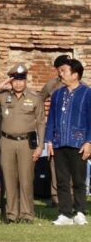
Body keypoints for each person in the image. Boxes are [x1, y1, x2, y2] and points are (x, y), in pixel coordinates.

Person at [0, 64, 44, 224]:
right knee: (9, 179)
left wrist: (41, 146)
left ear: (26, 80)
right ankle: (11, 214)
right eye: (15, 80)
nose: (18, 83)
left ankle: (27, 214)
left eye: (21, 80)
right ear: (11, 81)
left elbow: (41, 122)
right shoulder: (4, 96)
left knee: (26, 179)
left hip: (26, 143)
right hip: (7, 142)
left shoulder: (35, 98)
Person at [43, 58, 91, 226]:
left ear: (75, 74)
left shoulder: (87, 93)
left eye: (64, 71)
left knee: (79, 180)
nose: (60, 74)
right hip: (59, 143)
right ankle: (65, 214)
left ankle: (80, 212)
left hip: (79, 144)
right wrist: (49, 141)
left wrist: (89, 142)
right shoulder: (57, 94)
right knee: (62, 180)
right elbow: (51, 119)